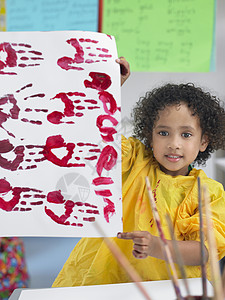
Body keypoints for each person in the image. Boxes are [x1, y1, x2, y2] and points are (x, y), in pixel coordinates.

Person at [52, 58, 225, 287]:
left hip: (167, 290)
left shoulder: (209, 192)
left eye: (186, 134)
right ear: (150, 135)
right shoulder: (134, 160)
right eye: (163, 133)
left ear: (204, 141)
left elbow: (204, 251)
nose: (174, 143)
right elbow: (95, 135)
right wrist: (113, 87)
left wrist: (156, 246)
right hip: (103, 282)